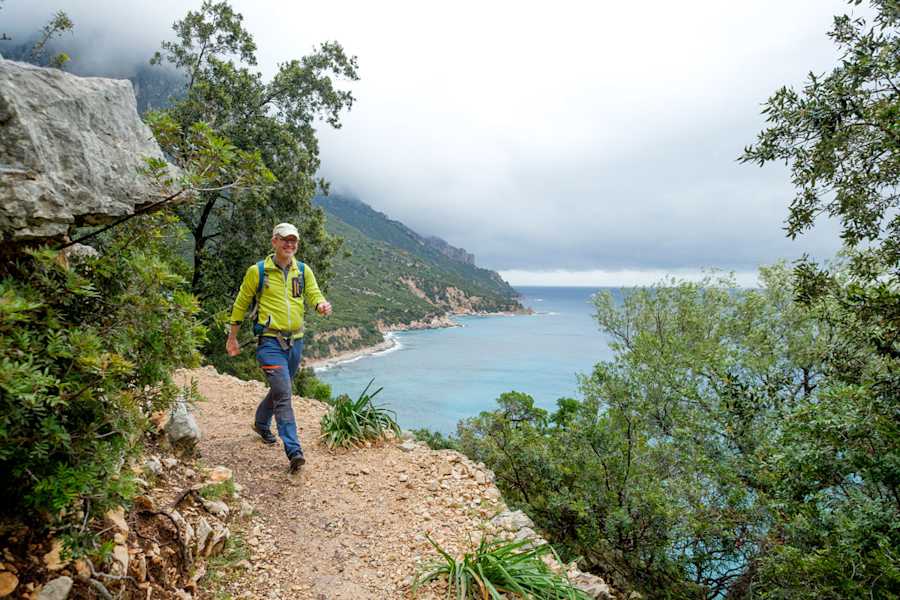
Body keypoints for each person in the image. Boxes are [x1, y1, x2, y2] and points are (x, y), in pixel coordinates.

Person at [226, 223, 332, 473]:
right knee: (284, 394)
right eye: (285, 240)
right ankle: (294, 450)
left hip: (296, 342)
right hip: (270, 342)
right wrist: (232, 337)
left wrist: (321, 305)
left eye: (293, 241)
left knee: (279, 390)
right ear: (274, 241)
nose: (289, 245)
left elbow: (314, 295)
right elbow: (241, 303)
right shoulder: (258, 271)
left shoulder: (303, 271)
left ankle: (261, 423)